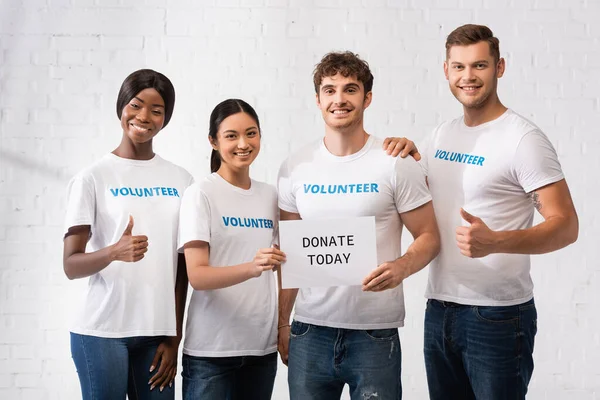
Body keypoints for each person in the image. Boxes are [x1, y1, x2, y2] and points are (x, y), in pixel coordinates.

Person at [420, 24, 579, 400]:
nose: (468, 77)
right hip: (439, 309)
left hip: (497, 316)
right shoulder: (440, 136)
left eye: (479, 66)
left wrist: (496, 241)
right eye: (458, 67)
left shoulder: (522, 139)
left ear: (499, 67)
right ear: (446, 71)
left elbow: (566, 225)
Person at [277, 51, 441, 400]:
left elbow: (429, 236)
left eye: (350, 89)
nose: (339, 99)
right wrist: (282, 323)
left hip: (374, 334)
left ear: (367, 98)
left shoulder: (394, 162)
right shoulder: (295, 168)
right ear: (318, 100)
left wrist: (402, 267)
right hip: (310, 331)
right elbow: (290, 255)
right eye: (330, 89)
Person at [63, 69, 192, 399]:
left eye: (157, 110)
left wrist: (172, 337)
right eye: (135, 105)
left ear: (165, 119)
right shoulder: (92, 178)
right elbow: (71, 265)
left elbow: (183, 270)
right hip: (101, 332)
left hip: (156, 334)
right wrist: (113, 252)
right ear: (121, 106)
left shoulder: (182, 180)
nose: (144, 117)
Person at [177, 99, 286, 400]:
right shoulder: (200, 194)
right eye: (231, 136)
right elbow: (197, 275)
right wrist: (252, 267)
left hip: (261, 348)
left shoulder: (270, 195)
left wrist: (283, 325)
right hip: (211, 352)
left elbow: (284, 266)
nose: (243, 144)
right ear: (213, 141)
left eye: (251, 134)